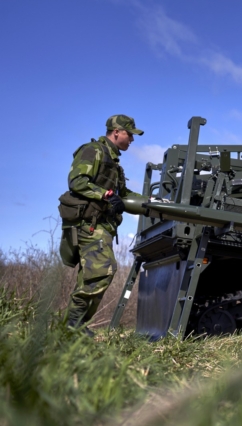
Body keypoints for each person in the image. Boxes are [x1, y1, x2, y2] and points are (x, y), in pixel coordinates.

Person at [58, 115, 144, 337]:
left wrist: (150, 202)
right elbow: (77, 181)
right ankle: (71, 327)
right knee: (101, 271)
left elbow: (124, 194)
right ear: (116, 132)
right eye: (130, 134)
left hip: (102, 226)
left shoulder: (115, 164)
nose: (132, 140)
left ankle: (72, 327)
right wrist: (104, 194)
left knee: (99, 272)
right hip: (89, 223)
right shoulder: (93, 150)